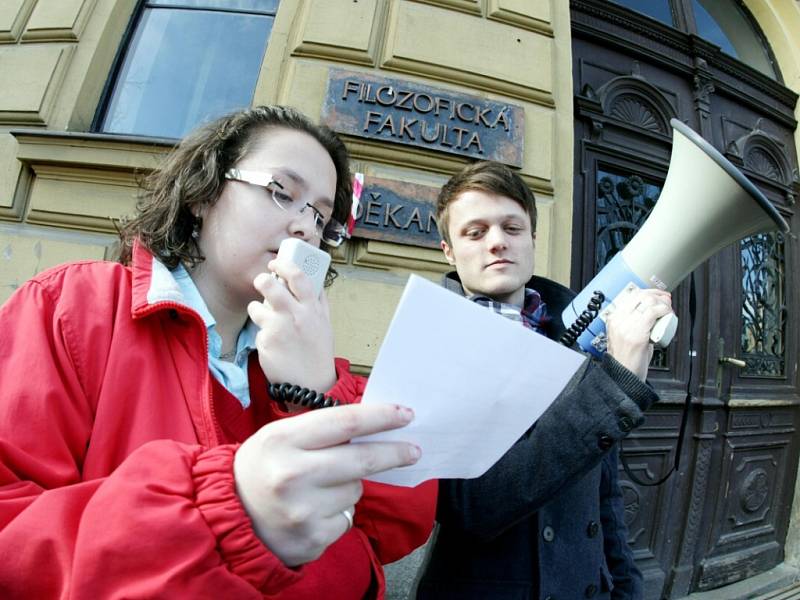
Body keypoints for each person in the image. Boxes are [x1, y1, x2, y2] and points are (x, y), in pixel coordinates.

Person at [0, 105, 436, 599]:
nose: (305, 229)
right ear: (202, 196)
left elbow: (394, 526)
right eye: (282, 193)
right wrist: (226, 511)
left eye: (323, 219)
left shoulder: (309, 367)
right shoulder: (75, 307)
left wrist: (314, 392)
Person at [415, 161, 673, 599]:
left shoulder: (579, 335)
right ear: (448, 251)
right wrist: (615, 386)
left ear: (533, 239)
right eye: (474, 233)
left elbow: (604, 498)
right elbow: (472, 506)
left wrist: (627, 589)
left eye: (512, 228)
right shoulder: (429, 341)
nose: (497, 242)